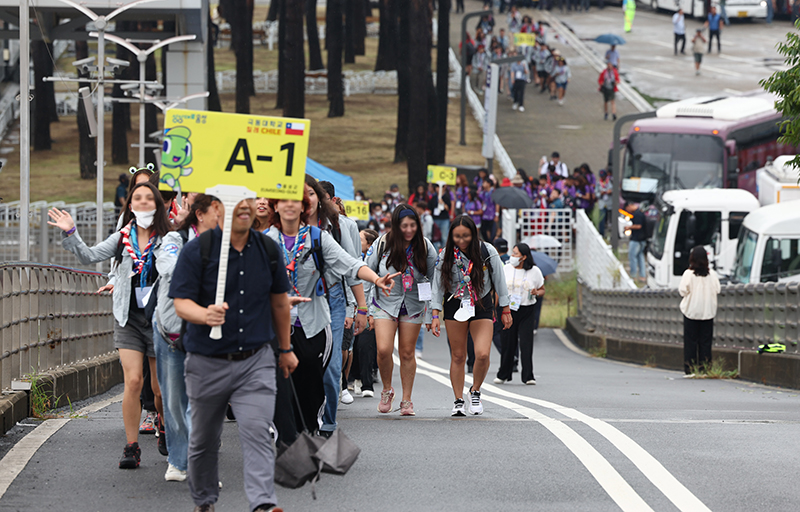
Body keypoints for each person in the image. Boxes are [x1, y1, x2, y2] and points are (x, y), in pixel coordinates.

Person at [170, 196, 296, 512]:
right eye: (234, 201)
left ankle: (263, 503)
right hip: (206, 362)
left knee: (257, 431)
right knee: (203, 441)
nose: (243, 206)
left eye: (248, 201)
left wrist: (285, 349)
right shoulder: (197, 250)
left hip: (256, 361)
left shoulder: (268, 250)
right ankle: (204, 500)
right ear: (216, 209)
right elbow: (181, 303)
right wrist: (204, 315)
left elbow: (280, 303)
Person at [48, 182, 168, 469]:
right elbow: (89, 256)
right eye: (137, 198)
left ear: (158, 205)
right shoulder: (121, 238)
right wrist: (71, 232)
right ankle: (131, 447)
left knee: (160, 388)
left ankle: (165, 426)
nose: (143, 203)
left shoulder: (169, 238)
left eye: (149, 199)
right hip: (128, 319)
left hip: (159, 319)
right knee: (134, 381)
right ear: (130, 206)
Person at [265, 192, 397, 436]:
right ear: (276, 205)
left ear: (304, 207)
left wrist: (376, 279)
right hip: (276, 326)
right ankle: (286, 442)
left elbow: (351, 264)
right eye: (284, 200)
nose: (290, 205)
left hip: (313, 325)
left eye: (296, 201)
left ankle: (311, 433)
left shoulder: (318, 238)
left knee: (312, 389)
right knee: (280, 391)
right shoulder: (265, 241)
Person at [153, 194, 220, 483]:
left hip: (209, 333)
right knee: (174, 400)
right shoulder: (175, 239)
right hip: (172, 332)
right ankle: (178, 461)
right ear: (200, 215)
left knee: (205, 403)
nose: (222, 216)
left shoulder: (228, 245)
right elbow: (166, 266)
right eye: (217, 211)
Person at [430, 215, 511, 416]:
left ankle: (475, 390)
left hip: (482, 303)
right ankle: (458, 400)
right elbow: (437, 286)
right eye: (457, 236)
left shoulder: (488, 251)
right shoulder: (445, 255)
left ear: (473, 234)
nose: (462, 240)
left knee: (482, 353)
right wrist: (434, 314)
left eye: (466, 236)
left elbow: (500, 281)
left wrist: (506, 309)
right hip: (454, 304)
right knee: (458, 355)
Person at [364, 206, 436, 416]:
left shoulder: (425, 246)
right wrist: (367, 309)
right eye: (404, 225)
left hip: (413, 304)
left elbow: (434, 280)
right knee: (384, 349)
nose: (408, 230)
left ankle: (407, 400)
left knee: (406, 352)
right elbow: (367, 272)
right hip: (385, 302)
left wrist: (433, 312)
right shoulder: (382, 243)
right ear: (396, 225)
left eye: (413, 225)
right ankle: (387, 390)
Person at [308, 177, 365, 437]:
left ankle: (328, 421)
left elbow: (353, 267)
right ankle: (305, 419)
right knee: (304, 364)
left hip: (333, 299)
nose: (307, 200)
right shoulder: (285, 228)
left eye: (312, 194)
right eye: (302, 194)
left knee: (331, 366)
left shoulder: (338, 226)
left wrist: (360, 308)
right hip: (300, 301)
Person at [494, 243, 544, 385]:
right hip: (508, 309)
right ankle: (503, 373)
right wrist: (495, 308)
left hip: (526, 309)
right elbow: (498, 289)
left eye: (516, 254)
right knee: (507, 342)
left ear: (524, 257)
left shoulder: (534, 271)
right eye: (513, 253)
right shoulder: (506, 269)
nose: (513, 256)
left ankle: (528, 376)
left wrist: (536, 292)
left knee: (527, 342)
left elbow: (542, 289)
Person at [679, 246, 720, 376]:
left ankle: (690, 369)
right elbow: (718, 289)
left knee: (691, 341)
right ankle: (705, 369)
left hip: (691, 311)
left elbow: (682, 291)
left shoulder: (688, 274)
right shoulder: (712, 274)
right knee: (705, 342)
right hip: (707, 312)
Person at [626, 202, 647, 283]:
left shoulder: (637, 214)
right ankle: (642, 276)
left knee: (632, 256)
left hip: (636, 239)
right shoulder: (641, 213)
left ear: (630, 205)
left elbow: (638, 226)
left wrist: (629, 227)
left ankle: (633, 275)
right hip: (642, 240)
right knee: (640, 257)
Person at [428, 183, 452, 250]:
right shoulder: (433, 198)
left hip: (444, 219)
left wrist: (442, 203)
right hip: (435, 219)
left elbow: (448, 208)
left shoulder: (447, 197)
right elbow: (430, 208)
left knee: (444, 237)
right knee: (435, 237)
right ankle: (436, 252)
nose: (438, 189)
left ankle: (445, 251)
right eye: (437, 187)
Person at [597, 170, 613, 237]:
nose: (602, 178)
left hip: (609, 203)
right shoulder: (598, 183)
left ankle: (611, 234)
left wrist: (611, 191)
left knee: (610, 220)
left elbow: (616, 190)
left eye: (603, 176)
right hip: (602, 204)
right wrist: (600, 193)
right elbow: (596, 194)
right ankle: (602, 234)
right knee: (602, 219)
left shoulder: (611, 182)